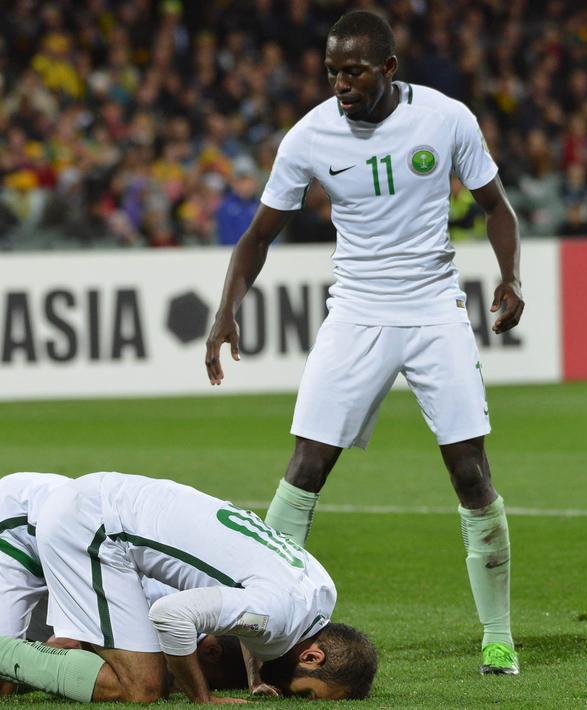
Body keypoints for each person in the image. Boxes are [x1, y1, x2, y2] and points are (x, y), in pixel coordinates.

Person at [203, 10, 523, 676]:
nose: (340, 84)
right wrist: (225, 311)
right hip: (355, 313)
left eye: (352, 71)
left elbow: (495, 206)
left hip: (434, 309)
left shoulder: (445, 118)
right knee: (304, 471)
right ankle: (265, 638)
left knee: (469, 473)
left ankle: (497, 634)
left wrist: (509, 277)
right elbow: (258, 236)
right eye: (331, 72)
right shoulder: (309, 135)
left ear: (387, 70)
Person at [0, 472, 377, 704]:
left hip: (100, 513)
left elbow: (260, 616)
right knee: (142, 686)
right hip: (86, 527)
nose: (291, 700)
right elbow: (171, 616)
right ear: (312, 656)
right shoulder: (278, 615)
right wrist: (204, 698)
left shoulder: (319, 591)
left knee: (2, 688)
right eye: (304, 695)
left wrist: (259, 676)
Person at [0, 472, 247, 697]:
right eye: (209, 680)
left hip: (68, 535)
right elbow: (66, 644)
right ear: (211, 651)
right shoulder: (161, 607)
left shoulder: (193, 604)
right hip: (13, 526)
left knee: (9, 680)